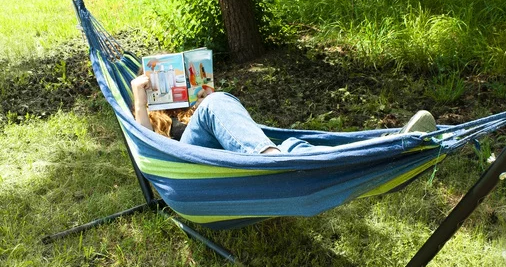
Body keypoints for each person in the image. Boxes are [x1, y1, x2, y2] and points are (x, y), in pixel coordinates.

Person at [130, 75, 436, 155]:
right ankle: (271, 157)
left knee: (292, 145)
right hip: (191, 163)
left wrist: (202, 97)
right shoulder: (154, 120)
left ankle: (387, 144)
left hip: (232, 160)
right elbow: (146, 144)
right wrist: (140, 100)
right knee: (217, 102)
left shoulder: (195, 107)